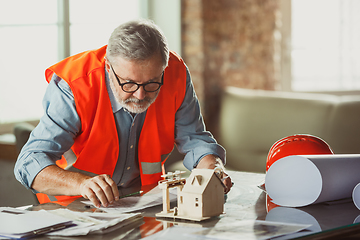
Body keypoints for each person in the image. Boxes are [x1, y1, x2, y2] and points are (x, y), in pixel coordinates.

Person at [14, 19, 232, 208]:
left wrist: (212, 168)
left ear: (163, 69)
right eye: (128, 83)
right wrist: (82, 183)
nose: (139, 96)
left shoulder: (175, 74)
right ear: (108, 67)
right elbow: (28, 163)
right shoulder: (75, 85)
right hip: (70, 207)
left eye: (151, 83)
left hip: (141, 204)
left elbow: (194, 139)